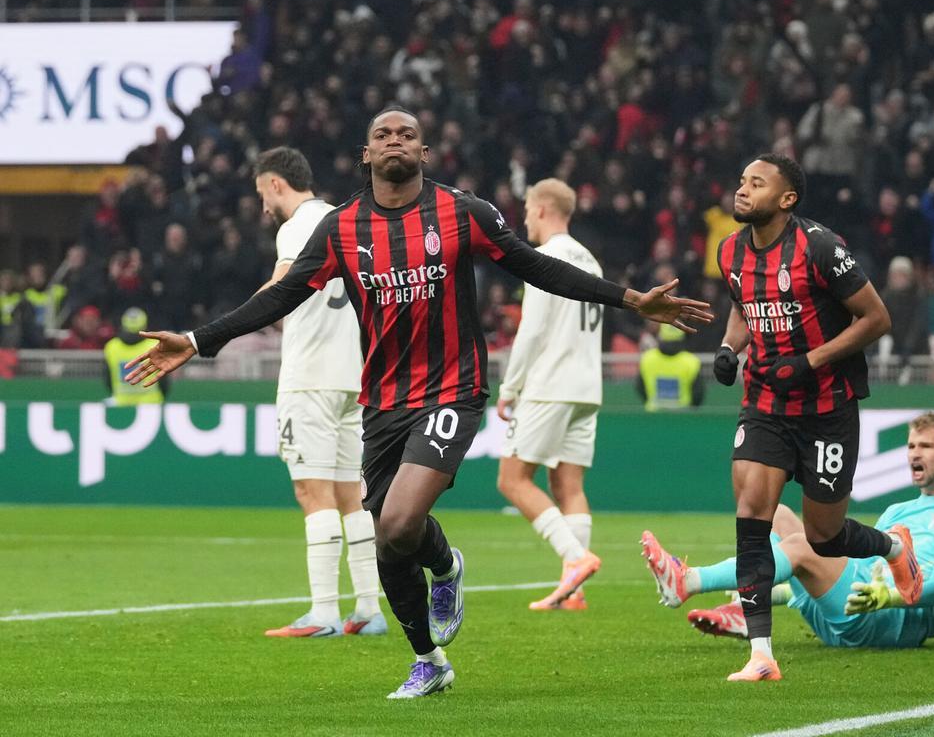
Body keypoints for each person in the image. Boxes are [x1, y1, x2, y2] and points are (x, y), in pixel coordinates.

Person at [125, 106, 713, 699]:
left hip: (452, 388)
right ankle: (430, 650)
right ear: (366, 154)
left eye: (407, 134)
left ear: (424, 152)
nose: (395, 141)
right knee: (389, 535)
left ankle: (438, 583)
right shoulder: (342, 228)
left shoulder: (463, 213)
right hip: (381, 402)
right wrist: (200, 340)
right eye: (382, 134)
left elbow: (539, 268)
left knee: (400, 519)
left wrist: (632, 300)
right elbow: (278, 298)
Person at [674, 152, 917, 683]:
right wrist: (728, 349)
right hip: (765, 403)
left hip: (828, 407)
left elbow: (876, 318)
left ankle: (895, 546)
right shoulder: (730, 250)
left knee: (824, 535)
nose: (742, 190)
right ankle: (761, 654)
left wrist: (810, 361)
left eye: (756, 183)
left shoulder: (821, 247)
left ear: (786, 199)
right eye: (741, 180)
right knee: (752, 511)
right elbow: (743, 305)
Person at [642, 412, 934, 648]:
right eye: (911, 445)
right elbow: (862, 563)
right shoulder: (900, 510)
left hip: (888, 619)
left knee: (803, 545)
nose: (915, 453)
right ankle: (750, 610)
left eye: (926, 446)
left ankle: (689, 581)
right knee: (774, 511)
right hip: (850, 605)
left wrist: (889, 596)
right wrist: (771, 593)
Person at [252, 147, 385, 640]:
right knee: (353, 493)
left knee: (312, 492)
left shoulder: (297, 226)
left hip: (309, 376)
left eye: (262, 193)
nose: (264, 206)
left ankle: (324, 612)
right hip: (355, 377)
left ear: (275, 185)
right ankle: (368, 609)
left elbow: (283, 288)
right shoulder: (348, 220)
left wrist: (221, 330)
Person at [495, 178, 603, 612]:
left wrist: (510, 387)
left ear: (541, 209)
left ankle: (575, 559)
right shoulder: (591, 261)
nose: (525, 221)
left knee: (513, 479)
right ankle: (573, 593)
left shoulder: (544, 258)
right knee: (568, 483)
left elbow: (532, 330)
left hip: (551, 383)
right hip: (587, 386)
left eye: (526, 212)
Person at [103, 308, 168, 406]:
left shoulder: (112, 346)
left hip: (121, 404)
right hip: (151, 405)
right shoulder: (155, 346)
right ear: (145, 324)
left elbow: (107, 378)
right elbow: (164, 379)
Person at [635, 324, 704, 410]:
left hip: (653, 416)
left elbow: (640, 387)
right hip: (682, 417)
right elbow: (698, 393)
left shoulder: (647, 358)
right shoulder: (691, 361)